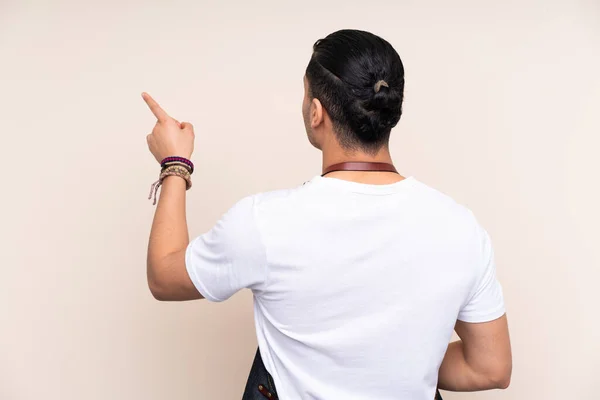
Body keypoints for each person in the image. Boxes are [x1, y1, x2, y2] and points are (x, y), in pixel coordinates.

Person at [142, 29, 512, 400]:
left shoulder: (265, 222)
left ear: (316, 112)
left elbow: (164, 276)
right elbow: (489, 367)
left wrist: (176, 163)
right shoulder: (460, 229)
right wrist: (395, 366)